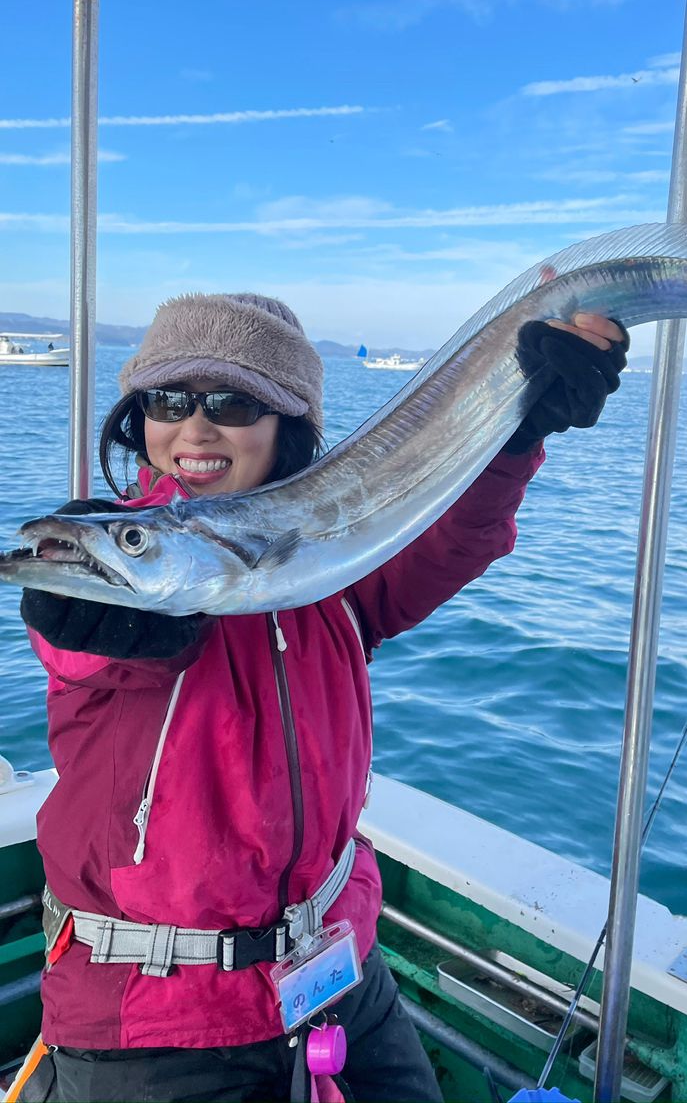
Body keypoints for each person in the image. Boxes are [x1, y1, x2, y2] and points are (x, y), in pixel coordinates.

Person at [18, 292, 628, 1103]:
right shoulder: (129, 564)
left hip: (336, 969)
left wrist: (512, 437)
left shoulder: (335, 573)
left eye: (233, 403)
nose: (195, 428)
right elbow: (73, 649)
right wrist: (94, 602)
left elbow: (450, 541)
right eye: (167, 401)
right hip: (155, 1020)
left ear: (287, 425)